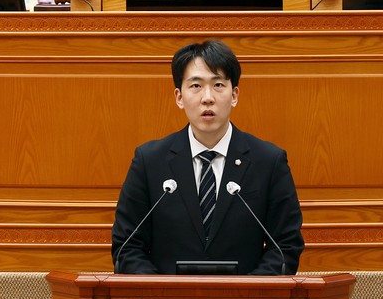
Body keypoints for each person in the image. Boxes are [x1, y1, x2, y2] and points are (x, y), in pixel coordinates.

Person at [111, 40, 304, 275]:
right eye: (196, 86)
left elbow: (285, 247)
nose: (208, 97)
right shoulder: (149, 161)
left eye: (218, 84)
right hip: (164, 298)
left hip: (248, 297)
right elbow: (127, 247)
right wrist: (160, 291)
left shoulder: (269, 161)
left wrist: (247, 291)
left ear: (234, 95)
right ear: (179, 97)